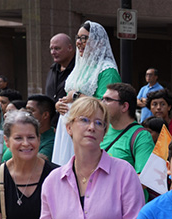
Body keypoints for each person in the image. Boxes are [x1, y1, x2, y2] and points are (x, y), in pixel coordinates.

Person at [52, 20, 121, 166]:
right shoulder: (81, 67)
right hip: (68, 128)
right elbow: (68, 96)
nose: (79, 42)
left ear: (99, 42)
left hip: (88, 129)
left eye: (85, 38)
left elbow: (106, 106)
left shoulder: (107, 70)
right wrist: (60, 104)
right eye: (78, 38)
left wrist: (76, 97)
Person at [100, 83, 154, 174]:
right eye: (102, 99)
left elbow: (144, 179)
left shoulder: (142, 136)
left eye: (108, 100)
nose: (102, 103)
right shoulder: (100, 130)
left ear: (124, 106)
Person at [2, 95, 56, 162]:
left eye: (31, 110)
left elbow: (33, 163)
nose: (26, 113)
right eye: (18, 138)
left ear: (45, 115)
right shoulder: (18, 132)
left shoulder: (52, 141)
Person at [45, 33, 75, 103]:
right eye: (51, 49)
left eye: (57, 48)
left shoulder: (78, 69)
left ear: (70, 48)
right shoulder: (53, 69)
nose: (53, 52)